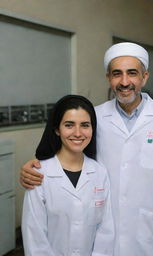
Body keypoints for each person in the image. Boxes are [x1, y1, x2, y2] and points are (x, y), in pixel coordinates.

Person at [20, 42, 153, 256]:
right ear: (108, 78)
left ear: (145, 77)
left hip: (148, 231)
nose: (124, 82)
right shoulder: (94, 117)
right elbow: (68, 149)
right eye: (117, 74)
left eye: (132, 73)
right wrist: (32, 168)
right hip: (99, 230)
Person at [22, 95, 114, 256]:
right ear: (57, 129)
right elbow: (35, 237)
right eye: (69, 125)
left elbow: (105, 231)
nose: (78, 133)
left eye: (85, 125)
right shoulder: (38, 175)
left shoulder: (100, 173)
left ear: (93, 129)